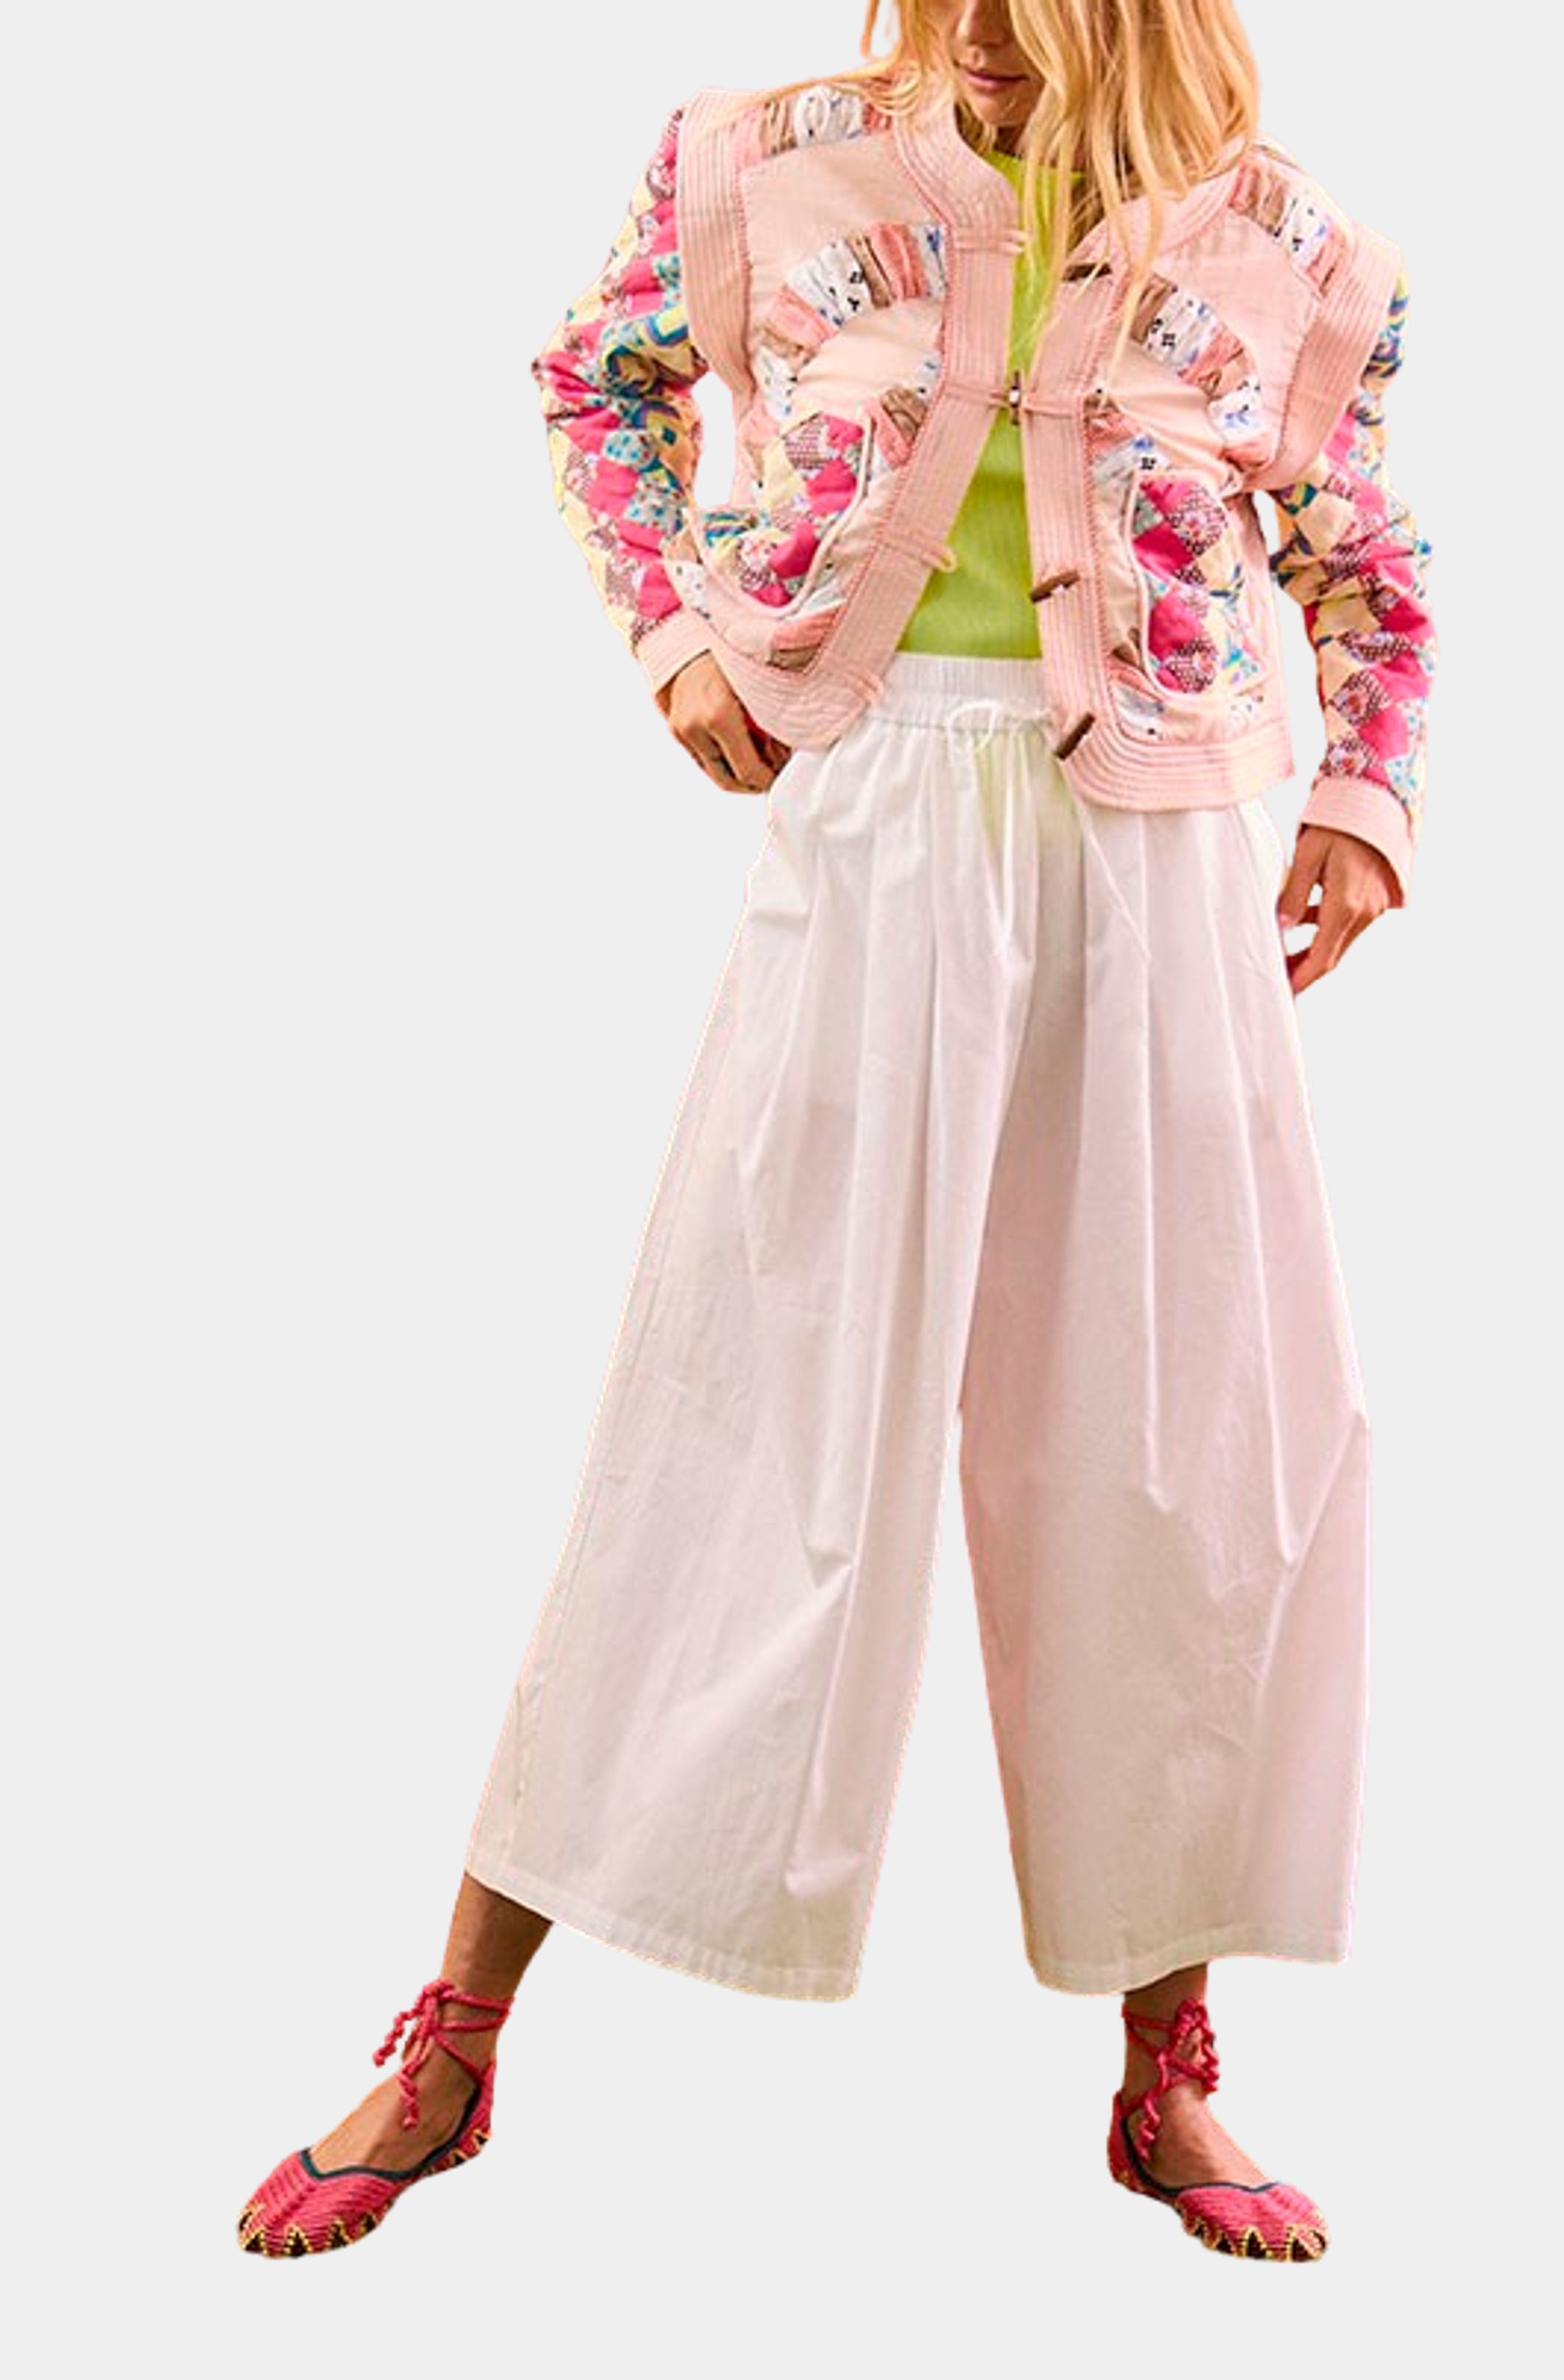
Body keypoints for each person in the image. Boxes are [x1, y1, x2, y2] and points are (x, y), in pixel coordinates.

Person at [238, 0, 1435, 2265]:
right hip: (878, 823)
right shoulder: (768, 160)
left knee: (1180, 1445)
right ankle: (461, 2026)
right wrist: (680, 638)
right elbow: (595, 382)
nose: (973, 34)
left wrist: (1367, 800)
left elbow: (1370, 554)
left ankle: (1168, 2066)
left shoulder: (1288, 244)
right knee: (732, 1407)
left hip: (1162, 860)